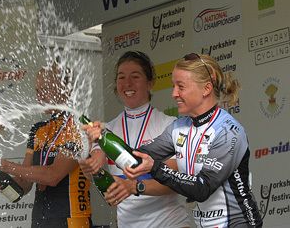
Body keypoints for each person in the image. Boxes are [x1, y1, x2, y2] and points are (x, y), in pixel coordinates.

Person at [85, 53, 263, 227]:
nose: (174, 94)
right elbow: (137, 159)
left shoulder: (228, 132)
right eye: (173, 86)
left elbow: (202, 189)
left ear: (206, 89)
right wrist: (102, 137)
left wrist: (151, 170)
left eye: (181, 87)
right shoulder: (179, 127)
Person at [79, 51, 190, 228]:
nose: (127, 83)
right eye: (121, 77)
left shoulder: (169, 125)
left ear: (150, 82)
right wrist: (90, 165)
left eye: (135, 76)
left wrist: (132, 186)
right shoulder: (106, 130)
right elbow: (99, 176)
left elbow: (175, 182)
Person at [0, 62, 92, 228]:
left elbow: (53, 176)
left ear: (66, 90)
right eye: (37, 91)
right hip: (39, 222)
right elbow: (23, 186)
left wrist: (3, 163)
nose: (40, 97)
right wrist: (2, 179)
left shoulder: (78, 126)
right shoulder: (38, 130)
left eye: (45, 89)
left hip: (71, 222)